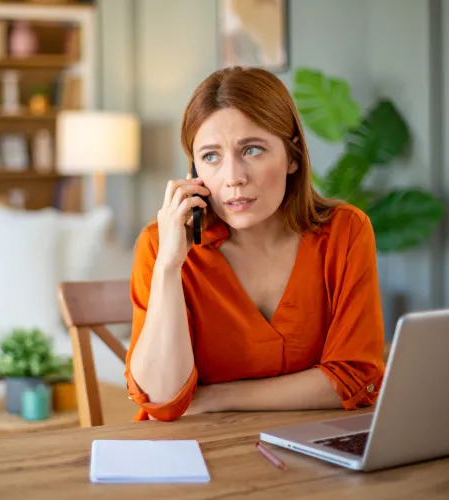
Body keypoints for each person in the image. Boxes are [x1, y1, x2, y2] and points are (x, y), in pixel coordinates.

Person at [124, 66, 386, 422]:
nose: (233, 178)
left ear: (293, 157)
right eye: (211, 156)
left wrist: (218, 396)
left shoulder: (344, 232)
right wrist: (169, 267)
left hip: (305, 448)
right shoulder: (160, 245)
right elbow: (162, 401)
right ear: (194, 171)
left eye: (252, 150)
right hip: (194, 448)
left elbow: (356, 379)